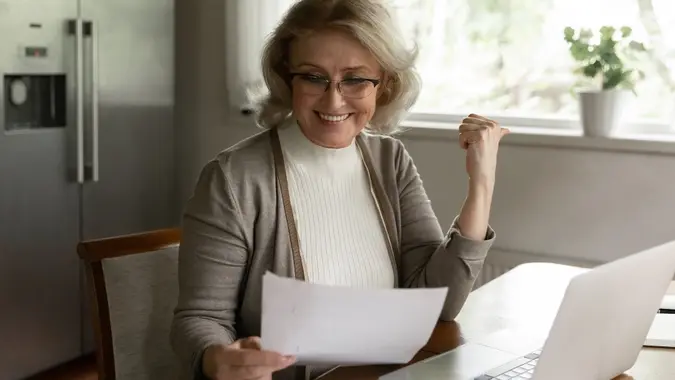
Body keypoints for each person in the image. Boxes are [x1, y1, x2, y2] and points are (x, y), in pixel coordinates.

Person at [170, 0, 506, 379]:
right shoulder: (233, 179)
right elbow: (199, 319)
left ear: (385, 84)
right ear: (286, 76)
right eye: (313, 77)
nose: (333, 100)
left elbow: (437, 302)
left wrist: (482, 183)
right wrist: (218, 358)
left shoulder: (389, 160)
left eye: (355, 79)